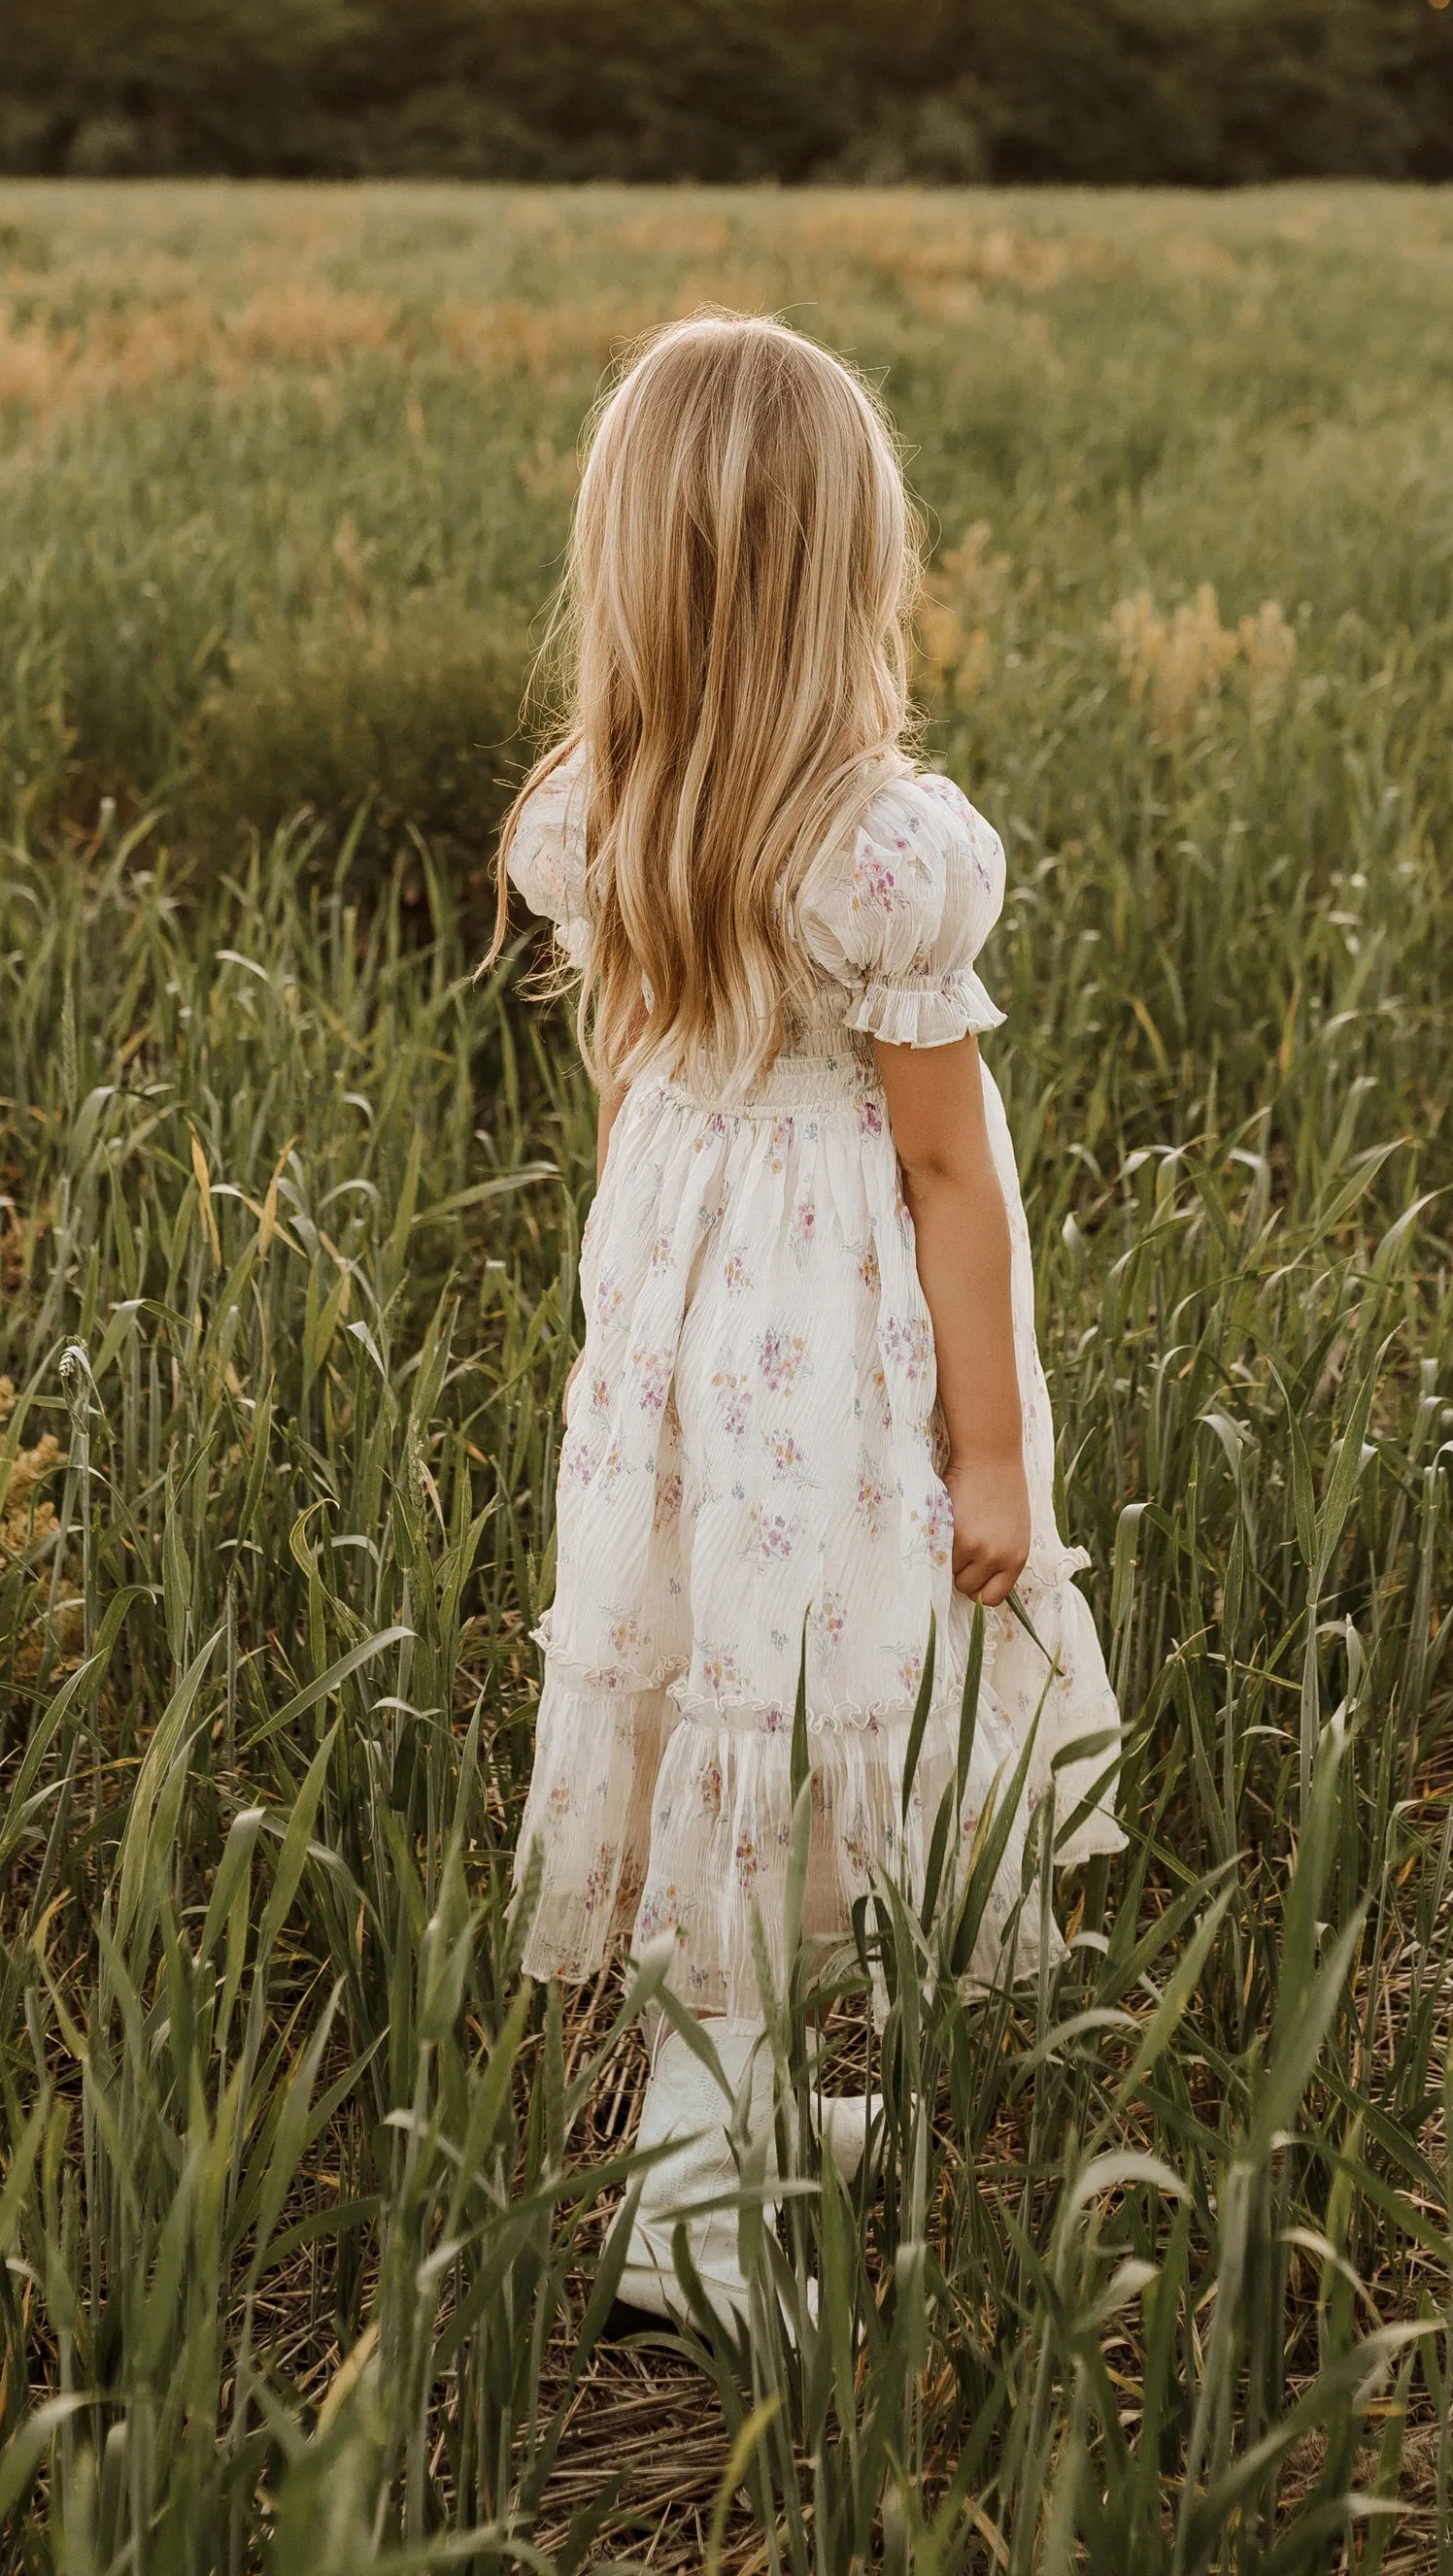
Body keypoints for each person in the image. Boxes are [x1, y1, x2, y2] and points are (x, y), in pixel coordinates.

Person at [491, 310, 1122, 2330]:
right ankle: (687, 2198)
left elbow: (627, 1098)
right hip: (831, 1348)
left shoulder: (600, 808)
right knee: (791, 1698)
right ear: (850, 568)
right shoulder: (880, 852)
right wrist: (994, 1442)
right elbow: (944, 1172)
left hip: (679, 1329)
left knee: (723, 1677)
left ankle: (739, 2108)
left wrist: (638, 1336)